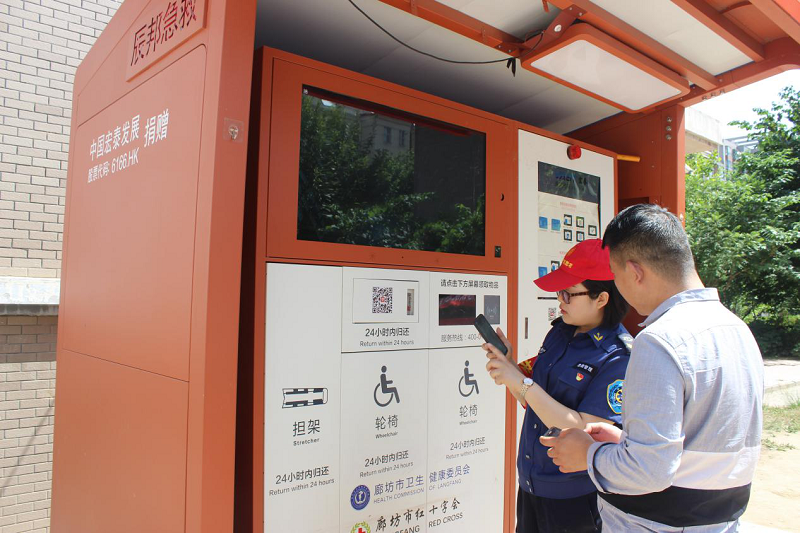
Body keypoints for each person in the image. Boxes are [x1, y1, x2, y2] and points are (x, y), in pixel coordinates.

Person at [541, 204, 764, 532]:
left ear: (635, 272)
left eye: (615, 276)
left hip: (654, 523)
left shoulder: (660, 340)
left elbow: (648, 471)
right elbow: (700, 445)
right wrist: (625, 442)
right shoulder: (736, 328)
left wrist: (588, 454)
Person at [483, 238, 631, 533]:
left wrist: (519, 381)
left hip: (574, 497)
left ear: (601, 299)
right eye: (559, 291)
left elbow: (585, 428)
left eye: (568, 293)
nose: (560, 300)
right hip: (531, 483)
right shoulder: (560, 333)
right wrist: (509, 367)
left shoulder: (617, 357)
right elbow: (534, 400)